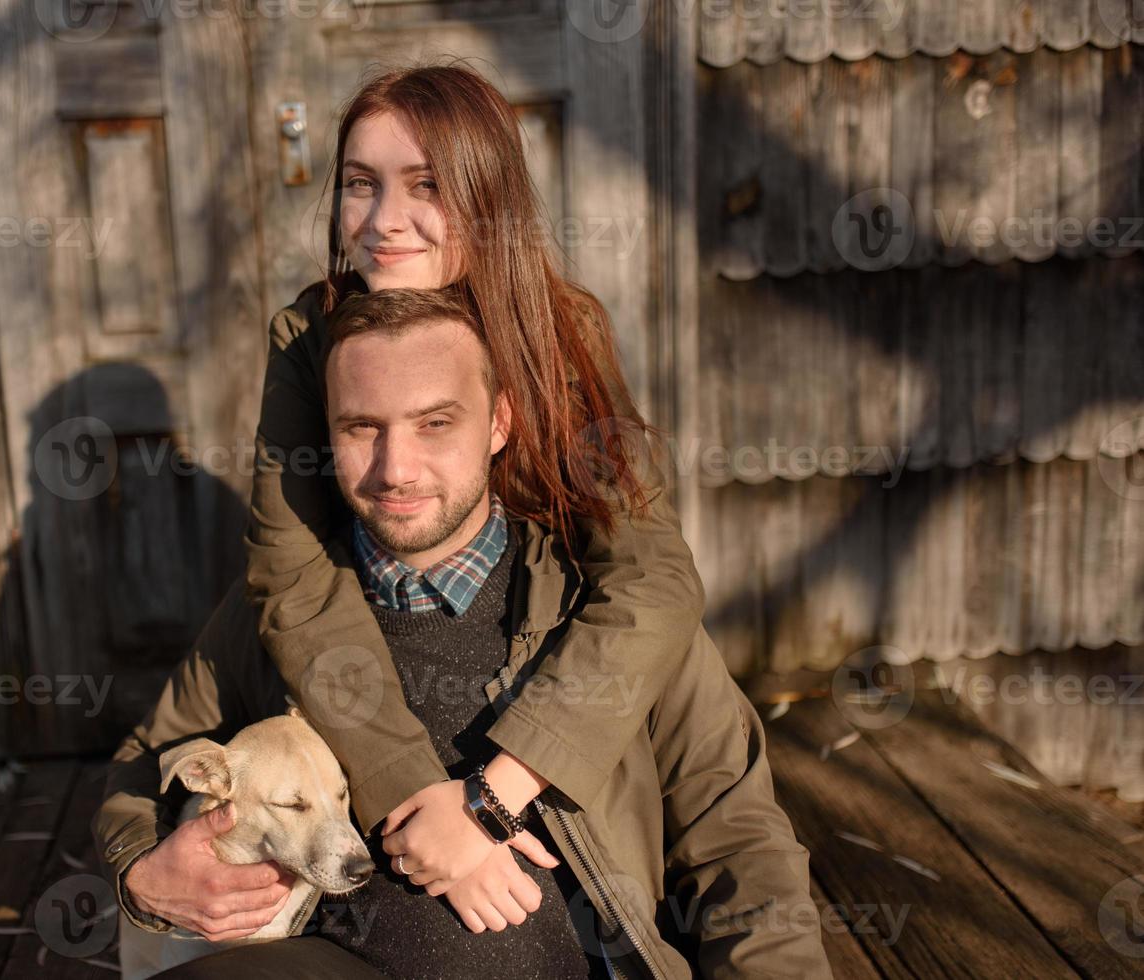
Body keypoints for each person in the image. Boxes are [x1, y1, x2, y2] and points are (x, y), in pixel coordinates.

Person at [92, 286, 833, 979]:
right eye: (362, 428)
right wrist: (142, 875)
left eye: (435, 422)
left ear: (499, 424)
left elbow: (740, 841)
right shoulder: (281, 614)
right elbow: (142, 765)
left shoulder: (603, 613)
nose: (395, 468)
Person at [244, 62, 709, 891]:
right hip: (395, 635)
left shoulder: (559, 333)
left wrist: (496, 796)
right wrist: (417, 795)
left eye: (425, 185)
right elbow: (293, 572)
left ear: (485, 197)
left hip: (537, 646)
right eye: (360, 183)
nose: (385, 221)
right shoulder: (308, 333)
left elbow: (652, 575)